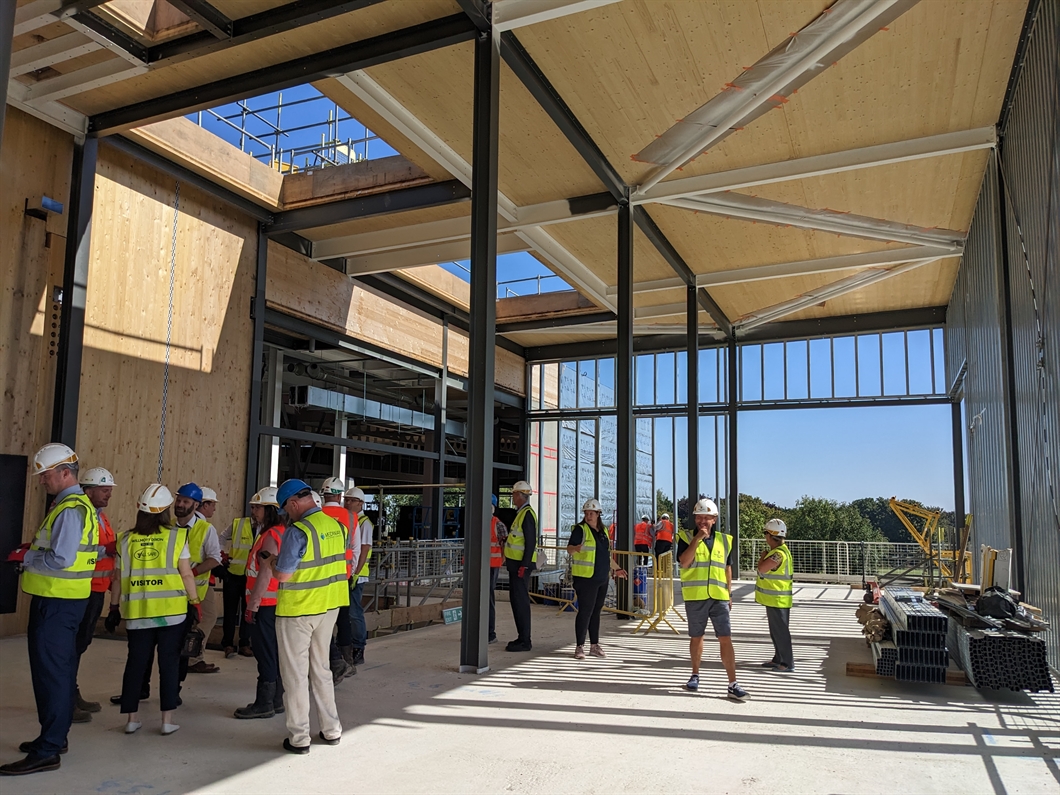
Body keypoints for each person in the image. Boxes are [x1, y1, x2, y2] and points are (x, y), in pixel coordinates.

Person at [1, 444, 100, 776]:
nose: (41, 481)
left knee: (52, 675)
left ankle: (48, 749)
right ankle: (54, 739)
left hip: (57, 604)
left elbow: (61, 558)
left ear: (64, 473)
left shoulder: (71, 509)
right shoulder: (72, 506)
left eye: (45, 475)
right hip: (63, 602)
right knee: (57, 672)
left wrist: (25, 557)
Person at [106, 484, 201, 736]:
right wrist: (194, 601)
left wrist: (113, 607)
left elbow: (117, 578)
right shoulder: (176, 537)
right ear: (166, 510)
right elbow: (186, 573)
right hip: (172, 614)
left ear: (140, 509)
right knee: (169, 664)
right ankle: (167, 721)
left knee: (136, 664)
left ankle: (131, 719)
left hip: (137, 615)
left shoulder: (124, 540)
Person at [273, 479, 350, 754]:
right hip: (329, 608)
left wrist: (271, 561)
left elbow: (283, 574)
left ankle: (299, 738)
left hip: (298, 610)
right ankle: (331, 730)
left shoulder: (298, 531)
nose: (286, 515)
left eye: (285, 510)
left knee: (294, 675)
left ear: (293, 504)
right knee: (322, 669)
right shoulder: (338, 527)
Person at [676, 498, 748, 702]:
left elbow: (727, 567)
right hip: (696, 597)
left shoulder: (725, 540)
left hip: (719, 597)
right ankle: (695, 675)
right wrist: (697, 539)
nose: (702, 521)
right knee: (696, 637)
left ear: (714, 519)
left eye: (707, 517)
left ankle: (733, 683)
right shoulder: (685, 537)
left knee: (725, 638)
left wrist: (729, 593)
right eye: (699, 517)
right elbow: (684, 562)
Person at [235, 487, 286, 719]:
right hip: (275, 603)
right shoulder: (280, 532)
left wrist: (252, 605)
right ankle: (276, 700)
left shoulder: (270, 535)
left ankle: (264, 702)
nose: (253, 511)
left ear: (271, 510)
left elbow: (264, 573)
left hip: (265, 604)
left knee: (265, 652)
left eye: (257, 507)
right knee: (273, 651)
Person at [72, 467, 118, 721]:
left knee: (80, 644)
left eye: (110, 489)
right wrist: (109, 549)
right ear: (88, 490)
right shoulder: (82, 514)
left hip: (96, 589)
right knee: (74, 645)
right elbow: (82, 549)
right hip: (82, 588)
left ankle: (71, 691)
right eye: (104, 489)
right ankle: (67, 696)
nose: (108, 494)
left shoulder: (101, 516)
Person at [567, 499, 626, 660]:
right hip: (585, 578)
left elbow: (606, 555)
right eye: (586, 513)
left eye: (591, 513)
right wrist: (575, 549)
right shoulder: (580, 530)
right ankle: (580, 646)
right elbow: (569, 549)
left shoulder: (604, 531)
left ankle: (594, 645)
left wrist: (617, 569)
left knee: (596, 611)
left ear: (598, 514)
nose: (588, 516)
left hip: (601, 577)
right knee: (585, 611)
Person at [174, 483, 222, 674]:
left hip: (197, 589)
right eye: (178, 500)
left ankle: (193, 654)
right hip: (172, 590)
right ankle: (191, 657)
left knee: (204, 619)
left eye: (185, 501)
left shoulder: (205, 529)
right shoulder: (168, 526)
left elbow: (215, 559)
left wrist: (192, 573)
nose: (180, 504)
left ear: (196, 505)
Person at [320, 477, 355, 683]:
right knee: (343, 619)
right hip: (344, 576)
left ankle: (328, 660)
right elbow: (356, 548)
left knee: (321, 621)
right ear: (340, 495)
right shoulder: (350, 517)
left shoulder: (315, 515)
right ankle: (346, 660)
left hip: (319, 577)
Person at [220, 489, 255, 659]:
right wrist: (222, 555)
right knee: (230, 611)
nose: (255, 512)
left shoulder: (267, 528)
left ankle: (244, 643)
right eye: (253, 508)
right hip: (234, 574)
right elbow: (221, 538)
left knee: (248, 611)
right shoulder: (238, 524)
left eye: (258, 508)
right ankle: (227, 643)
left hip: (252, 577)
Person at [756, 518, 794, 673]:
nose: (765, 537)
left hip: (778, 599)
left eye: (766, 534)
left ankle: (787, 662)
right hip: (775, 599)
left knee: (781, 632)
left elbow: (762, 569)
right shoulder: (781, 552)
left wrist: (762, 556)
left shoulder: (778, 554)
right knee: (776, 631)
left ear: (771, 536)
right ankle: (778, 658)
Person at [503, 480, 537, 652]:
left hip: (520, 567)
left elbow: (530, 542)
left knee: (520, 602)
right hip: (515, 566)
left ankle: (525, 640)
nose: (512, 497)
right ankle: (522, 637)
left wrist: (524, 565)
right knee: (516, 601)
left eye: (514, 494)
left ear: (519, 495)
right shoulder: (521, 514)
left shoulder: (527, 515)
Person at [344, 487, 373, 666]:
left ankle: (358, 647)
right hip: (349, 573)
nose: (348, 503)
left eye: (351, 500)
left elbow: (363, 549)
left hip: (357, 575)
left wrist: (355, 572)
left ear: (360, 503)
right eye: (346, 499)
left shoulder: (364, 523)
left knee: (355, 613)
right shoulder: (350, 520)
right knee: (347, 612)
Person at [487, 495, 507, 644]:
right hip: (478, 567)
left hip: (491, 566)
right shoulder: (477, 523)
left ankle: (490, 633)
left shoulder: (497, 524)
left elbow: (504, 545)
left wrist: (502, 560)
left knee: (487, 600)